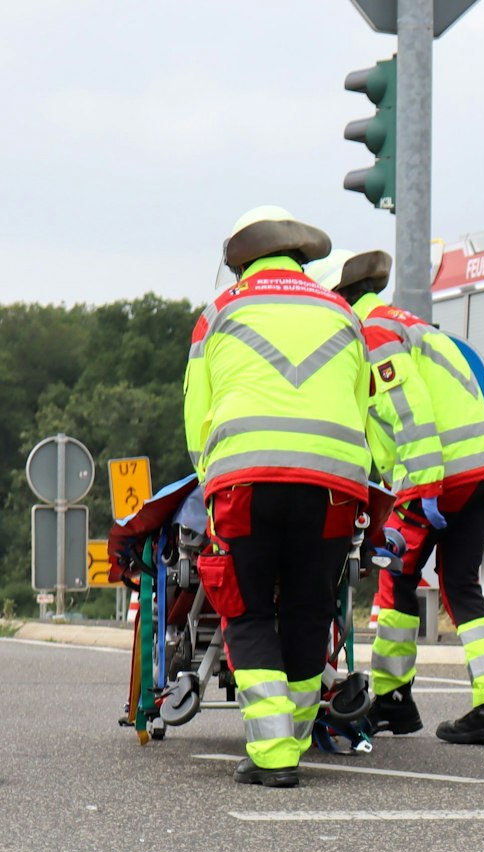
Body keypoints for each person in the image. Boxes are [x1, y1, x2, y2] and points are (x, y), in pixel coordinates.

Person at [184, 207, 374, 788]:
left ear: (240, 259)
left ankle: (272, 755)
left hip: (246, 479)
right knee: (309, 609)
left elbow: (197, 414)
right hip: (334, 484)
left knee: (246, 609)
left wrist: (209, 477)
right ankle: (290, 740)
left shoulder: (220, 311)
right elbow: (362, 403)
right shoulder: (343, 312)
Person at [309, 249, 484, 744]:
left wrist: (421, 485)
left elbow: (408, 412)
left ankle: (393, 702)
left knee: (395, 578)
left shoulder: (374, 334)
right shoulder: (411, 325)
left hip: (438, 474)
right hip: (481, 465)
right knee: (462, 584)